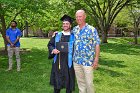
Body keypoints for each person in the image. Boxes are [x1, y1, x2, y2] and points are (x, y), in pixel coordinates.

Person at [72, 10, 100, 93]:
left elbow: (97, 44)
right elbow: (67, 35)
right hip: (76, 61)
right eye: (77, 17)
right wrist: (57, 33)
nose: (78, 18)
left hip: (88, 62)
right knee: (80, 83)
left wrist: (96, 59)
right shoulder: (75, 29)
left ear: (85, 16)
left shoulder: (92, 29)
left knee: (89, 83)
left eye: (80, 16)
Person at [48, 15, 75, 93]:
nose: (65, 25)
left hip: (69, 62)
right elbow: (50, 44)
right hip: (58, 62)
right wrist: (53, 50)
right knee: (57, 81)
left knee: (68, 82)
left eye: (67, 23)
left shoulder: (74, 35)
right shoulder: (57, 35)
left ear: (70, 25)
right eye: (64, 23)